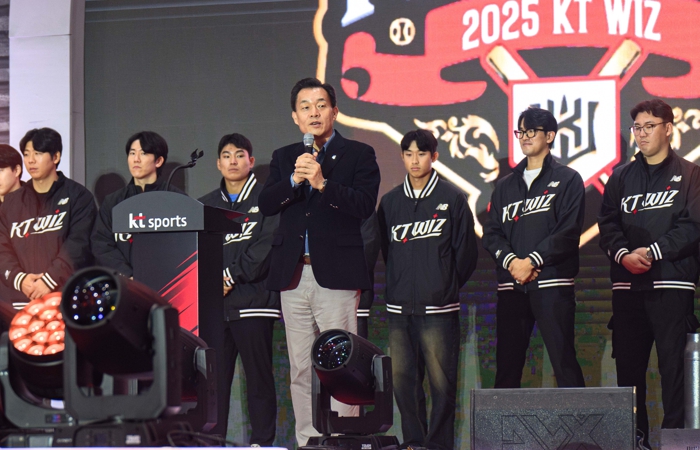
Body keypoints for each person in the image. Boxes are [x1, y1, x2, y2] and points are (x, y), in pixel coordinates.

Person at [258, 77, 380, 446]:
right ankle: (308, 440)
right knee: (300, 366)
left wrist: (323, 183)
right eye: (306, 107)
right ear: (295, 117)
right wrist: (293, 180)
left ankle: (343, 439)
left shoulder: (359, 153)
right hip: (293, 275)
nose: (314, 112)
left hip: (337, 276)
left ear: (335, 111)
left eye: (321, 105)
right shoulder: (285, 157)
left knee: (342, 364)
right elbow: (266, 204)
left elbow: (364, 205)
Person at [598, 99, 700, 449]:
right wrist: (623, 254)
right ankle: (635, 441)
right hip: (627, 288)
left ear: (668, 128)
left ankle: (675, 442)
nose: (641, 134)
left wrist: (654, 251)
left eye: (649, 126)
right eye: (637, 128)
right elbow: (607, 223)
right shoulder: (621, 176)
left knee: (674, 371)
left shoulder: (691, 175)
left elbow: (693, 226)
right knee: (629, 373)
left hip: (672, 284)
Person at [377, 129, 477, 450]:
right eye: (408, 154)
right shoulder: (390, 202)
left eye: (421, 154)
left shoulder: (453, 198)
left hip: (439, 309)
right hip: (399, 309)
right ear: (402, 156)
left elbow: (466, 254)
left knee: (442, 386)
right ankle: (414, 443)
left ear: (434, 157)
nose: (415, 160)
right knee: (403, 384)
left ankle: (439, 446)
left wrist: (442, 284)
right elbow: (387, 252)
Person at [482, 107, 586, 390]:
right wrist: (512, 262)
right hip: (511, 287)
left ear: (549, 136)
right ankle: (503, 422)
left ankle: (580, 421)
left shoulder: (568, 179)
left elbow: (568, 231)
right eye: (521, 131)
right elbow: (492, 233)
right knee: (507, 368)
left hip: (552, 283)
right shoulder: (505, 186)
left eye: (532, 131)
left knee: (564, 363)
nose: (525, 137)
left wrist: (532, 261)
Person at [198, 133, 279, 445]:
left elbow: (266, 247)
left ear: (251, 161)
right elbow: (196, 251)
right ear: (218, 163)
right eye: (226, 155)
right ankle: (212, 442)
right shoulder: (205, 204)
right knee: (213, 383)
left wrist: (230, 276)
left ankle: (262, 443)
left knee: (259, 380)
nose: (233, 161)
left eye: (239, 154)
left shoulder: (267, 199)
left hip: (253, 302)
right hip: (215, 308)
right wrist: (213, 281)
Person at [0, 128, 96, 310]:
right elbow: (2, 249)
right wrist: (20, 279)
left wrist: (49, 280)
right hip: (19, 303)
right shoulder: (11, 203)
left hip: (65, 299)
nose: (31, 160)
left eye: (38, 153)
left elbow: (78, 245)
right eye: (26, 154)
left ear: (56, 157)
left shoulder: (79, 196)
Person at [91, 131, 181, 277]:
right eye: (132, 153)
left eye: (143, 153)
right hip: (125, 283)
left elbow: (183, 246)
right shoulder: (113, 202)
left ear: (158, 161)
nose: (136, 159)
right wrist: (128, 275)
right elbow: (101, 244)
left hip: (166, 281)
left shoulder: (177, 200)